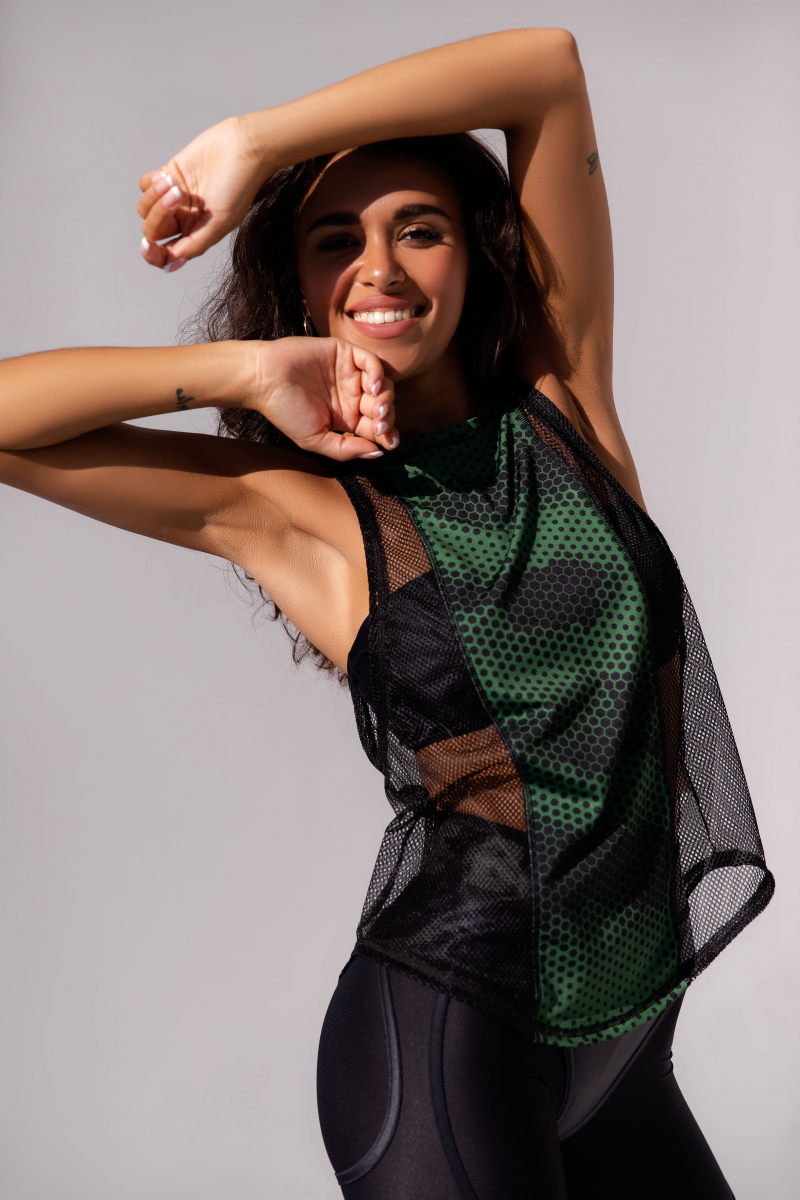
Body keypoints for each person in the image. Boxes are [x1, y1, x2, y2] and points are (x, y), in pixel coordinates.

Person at [0, 28, 773, 1199]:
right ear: (300, 289)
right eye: (335, 242)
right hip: (448, 1035)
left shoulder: (565, 411)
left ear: (475, 253)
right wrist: (240, 372)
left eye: (418, 228)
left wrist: (256, 144)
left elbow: (546, 68)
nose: (380, 267)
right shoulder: (306, 517)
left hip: (623, 1048)